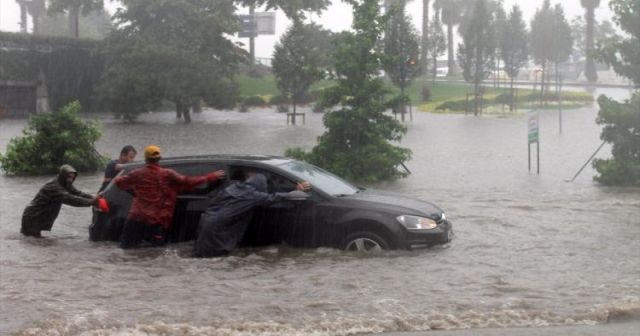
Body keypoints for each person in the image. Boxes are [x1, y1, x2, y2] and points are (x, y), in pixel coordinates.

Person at [113, 145, 225, 249]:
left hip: (135, 219)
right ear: (160, 158)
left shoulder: (136, 173)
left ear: (145, 158)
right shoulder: (167, 174)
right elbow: (188, 182)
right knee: (155, 254)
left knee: (126, 250)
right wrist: (210, 177)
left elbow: (118, 181)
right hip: (155, 222)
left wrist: (135, 193)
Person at [193, 170, 310, 258]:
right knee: (216, 258)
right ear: (260, 185)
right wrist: (296, 192)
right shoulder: (252, 195)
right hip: (219, 230)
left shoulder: (234, 187)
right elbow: (273, 197)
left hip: (206, 223)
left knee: (202, 255)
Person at [21, 164, 101, 238]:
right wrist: (92, 202)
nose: (71, 180)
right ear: (63, 176)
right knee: (34, 242)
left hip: (39, 215)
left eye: (73, 178)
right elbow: (70, 199)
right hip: (33, 216)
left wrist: (93, 198)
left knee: (37, 241)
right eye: (69, 177)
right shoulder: (54, 186)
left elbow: (78, 193)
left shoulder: (65, 183)